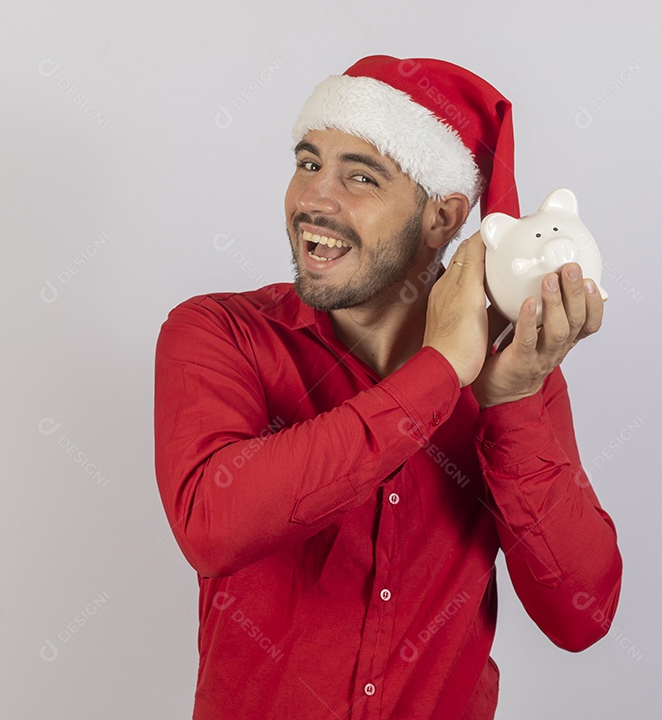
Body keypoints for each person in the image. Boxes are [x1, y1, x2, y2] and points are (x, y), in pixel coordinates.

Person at [154, 55, 622, 720]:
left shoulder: (511, 370)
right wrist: (439, 370)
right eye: (308, 163)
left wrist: (514, 403)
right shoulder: (220, 333)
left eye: (360, 177)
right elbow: (213, 527)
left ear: (442, 218)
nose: (314, 199)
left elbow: (582, 616)